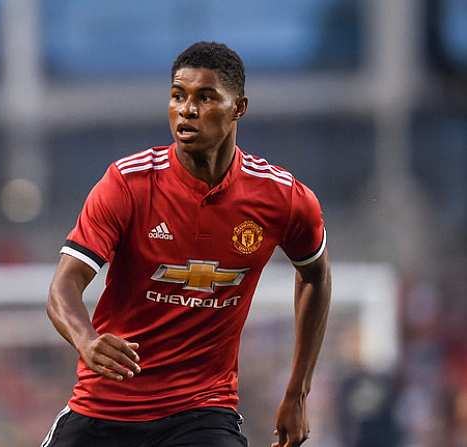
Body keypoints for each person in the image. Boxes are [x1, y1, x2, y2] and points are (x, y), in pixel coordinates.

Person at [44, 41, 331, 447]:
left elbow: (316, 277)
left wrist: (297, 392)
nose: (187, 110)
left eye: (206, 97)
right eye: (178, 96)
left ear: (239, 108)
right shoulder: (128, 183)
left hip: (201, 411)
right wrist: (85, 338)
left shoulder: (281, 197)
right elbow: (63, 286)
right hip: (106, 406)